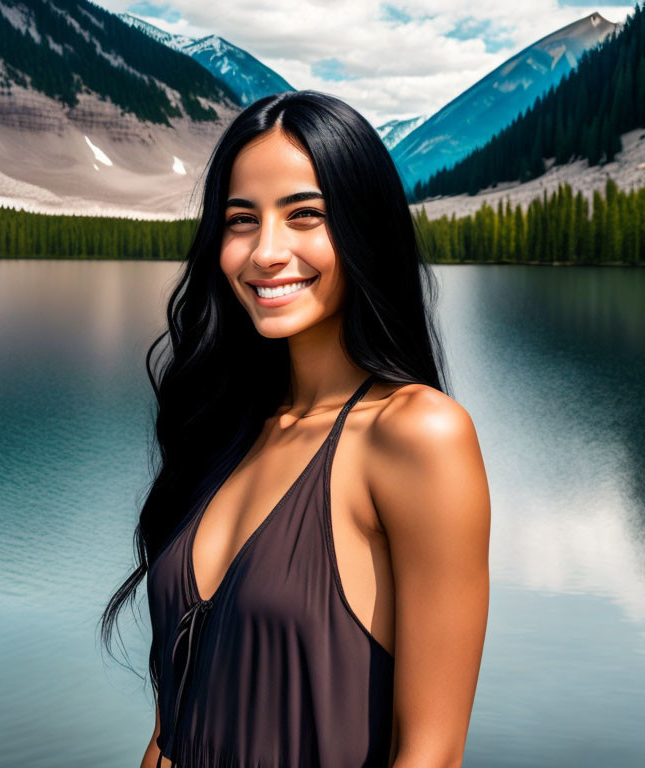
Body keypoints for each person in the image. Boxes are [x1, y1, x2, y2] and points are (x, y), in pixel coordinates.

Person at [100, 90, 490, 768]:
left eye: (305, 215)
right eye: (241, 220)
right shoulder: (219, 432)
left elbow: (432, 752)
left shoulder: (419, 436)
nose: (266, 252)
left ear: (365, 227)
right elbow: (167, 737)